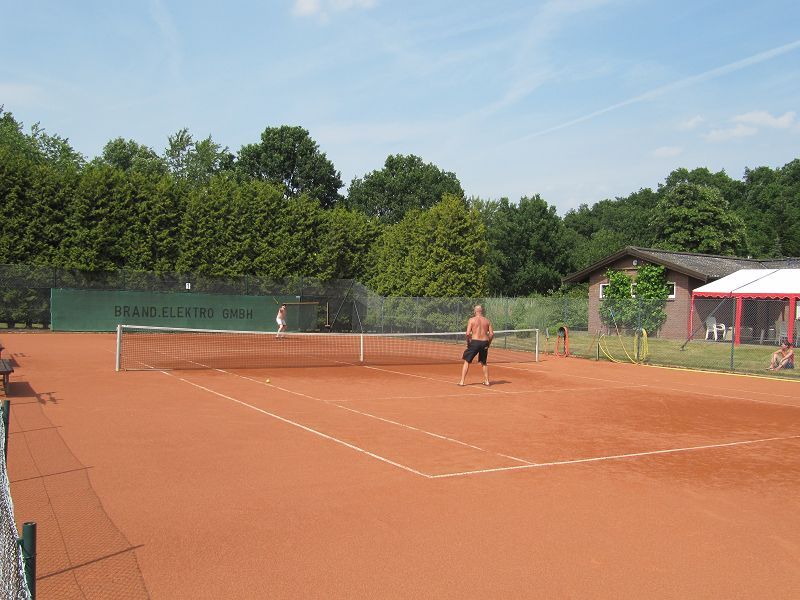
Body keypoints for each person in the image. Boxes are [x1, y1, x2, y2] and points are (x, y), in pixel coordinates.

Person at [459, 305, 494, 386]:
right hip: (484, 342)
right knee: (484, 362)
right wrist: (489, 343)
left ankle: (462, 381)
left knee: (467, 361)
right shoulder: (487, 321)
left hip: (475, 342)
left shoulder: (471, 320)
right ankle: (487, 381)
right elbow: (491, 334)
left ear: (475, 311)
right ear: (482, 311)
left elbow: (467, 334)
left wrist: (468, 342)